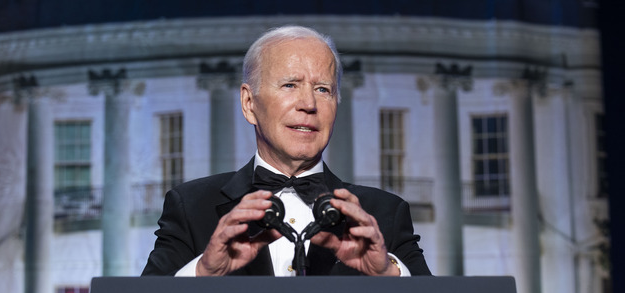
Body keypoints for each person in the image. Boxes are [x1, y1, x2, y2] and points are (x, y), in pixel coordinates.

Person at [142, 25, 431, 277]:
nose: (309, 103)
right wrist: (203, 270)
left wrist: (388, 273)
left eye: (323, 89)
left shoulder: (384, 215)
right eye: (290, 85)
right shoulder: (191, 207)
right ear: (249, 103)